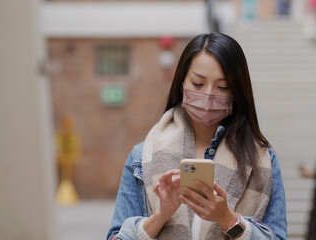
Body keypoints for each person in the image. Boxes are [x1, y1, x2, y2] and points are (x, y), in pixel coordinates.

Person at [106, 33, 287, 240]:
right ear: (182, 83)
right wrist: (162, 214)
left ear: (237, 92)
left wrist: (228, 219)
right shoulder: (142, 155)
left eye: (223, 87)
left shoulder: (262, 160)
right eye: (198, 84)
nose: (209, 95)